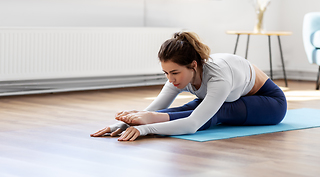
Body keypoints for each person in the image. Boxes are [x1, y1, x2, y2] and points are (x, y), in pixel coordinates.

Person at [91, 31, 287, 141]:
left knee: (215, 111)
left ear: (193, 65)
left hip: (270, 103)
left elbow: (194, 124)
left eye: (175, 73)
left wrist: (147, 128)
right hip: (239, 100)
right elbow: (154, 108)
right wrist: (125, 123)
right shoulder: (178, 76)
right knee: (194, 106)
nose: (170, 79)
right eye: (166, 73)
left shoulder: (218, 77)